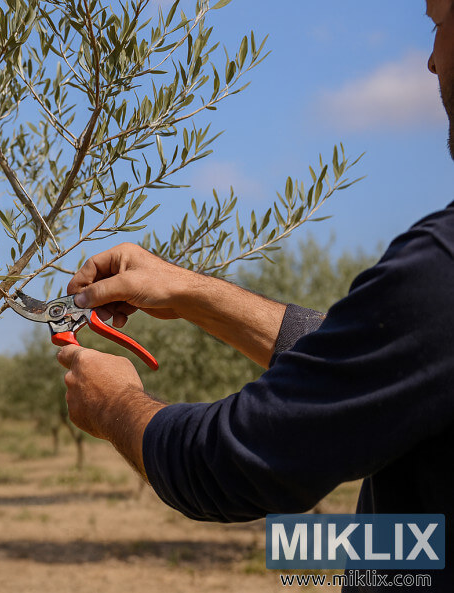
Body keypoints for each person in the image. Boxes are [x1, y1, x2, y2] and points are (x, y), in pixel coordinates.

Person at [57, 1, 454, 590]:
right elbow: (379, 363)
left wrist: (114, 405)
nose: (428, 61)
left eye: (439, 26)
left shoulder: (441, 273)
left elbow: (236, 461)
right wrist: (191, 291)